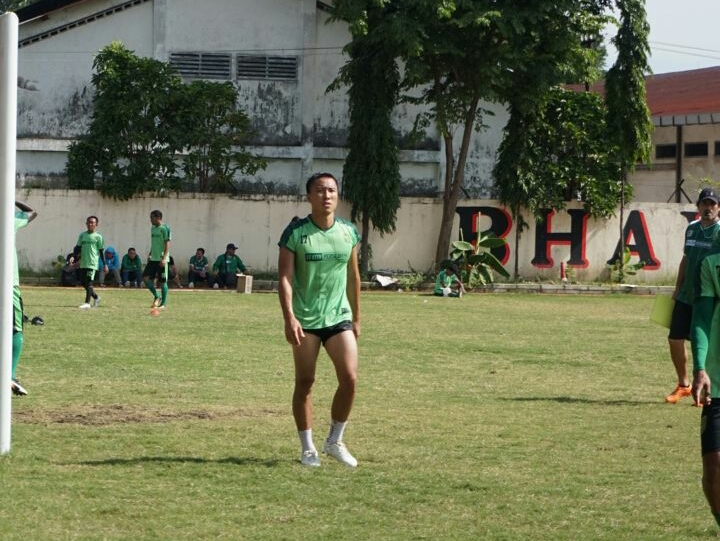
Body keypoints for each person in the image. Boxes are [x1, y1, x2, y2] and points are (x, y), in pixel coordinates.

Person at [278, 172, 361, 468]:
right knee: (305, 382)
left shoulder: (349, 232)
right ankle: (308, 448)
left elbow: (353, 278)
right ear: (309, 196)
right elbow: (285, 278)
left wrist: (357, 318)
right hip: (306, 319)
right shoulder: (296, 233)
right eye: (320, 191)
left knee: (350, 379)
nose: (326, 196)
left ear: (338, 196)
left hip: (339, 318)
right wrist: (290, 318)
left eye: (331, 191)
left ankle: (335, 441)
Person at [666, 187, 720, 404]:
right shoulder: (691, 229)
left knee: (706, 342)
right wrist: (677, 288)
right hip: (687, 294)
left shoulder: (719, 232)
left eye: (712, 204)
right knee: (674, 338)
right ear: (698, 206)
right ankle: (684, 384)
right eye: (704, 204)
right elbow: (686, 259)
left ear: (718, 208)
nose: (708, 208)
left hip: (709, 297)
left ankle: (708, 389)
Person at [690, 232, 720, 528]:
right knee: (714, 468)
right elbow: (700, 318)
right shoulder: (711, 264)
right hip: (718, 385)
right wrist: (700, 367)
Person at [11, 200, 38, 395]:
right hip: (9, 285)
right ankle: (9, 376)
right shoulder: (10, 220)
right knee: (16, 330)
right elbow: (32, 212)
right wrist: (13, 198)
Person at [142, 209, 172, 309]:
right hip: (153, 259)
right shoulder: (152, 228)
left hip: (161, 259)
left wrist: (164, 258)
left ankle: (163, 304)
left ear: (158, 218)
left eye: (152, 217)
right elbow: (154, 243)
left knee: (163, 282)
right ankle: (156, 296)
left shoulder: (165, 228)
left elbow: (167, 243)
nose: (150, 219)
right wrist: (150, 253)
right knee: (145, 278)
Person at [76, 215, 106, 309]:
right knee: (82, 282)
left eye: (92, 222)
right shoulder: (82, 235)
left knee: (89, 283)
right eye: (88, 222)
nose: (90, 224)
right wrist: (74, 257)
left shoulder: (98, 237)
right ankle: (96, 297)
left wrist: (105, 265)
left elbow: (101, 251)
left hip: (92, 263)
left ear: (96, 224)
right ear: (86, 223)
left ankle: (87, 303)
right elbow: (77, 248)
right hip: (83, 262)